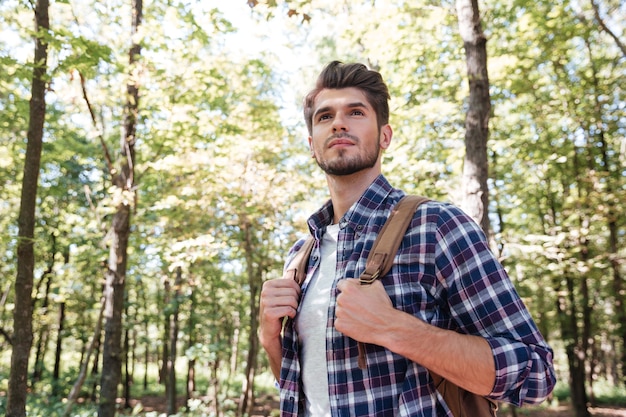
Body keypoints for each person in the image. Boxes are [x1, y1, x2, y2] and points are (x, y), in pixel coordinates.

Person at [259, 60, 556, 417]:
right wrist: (270, 339)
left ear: (385, 136)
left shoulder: (436, 226)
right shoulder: (301, 256)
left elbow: (536, 374)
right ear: (312, 145)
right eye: (325, 117)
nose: (338, 122)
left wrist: (395, 329)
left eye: (355, 112)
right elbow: (300, 390)